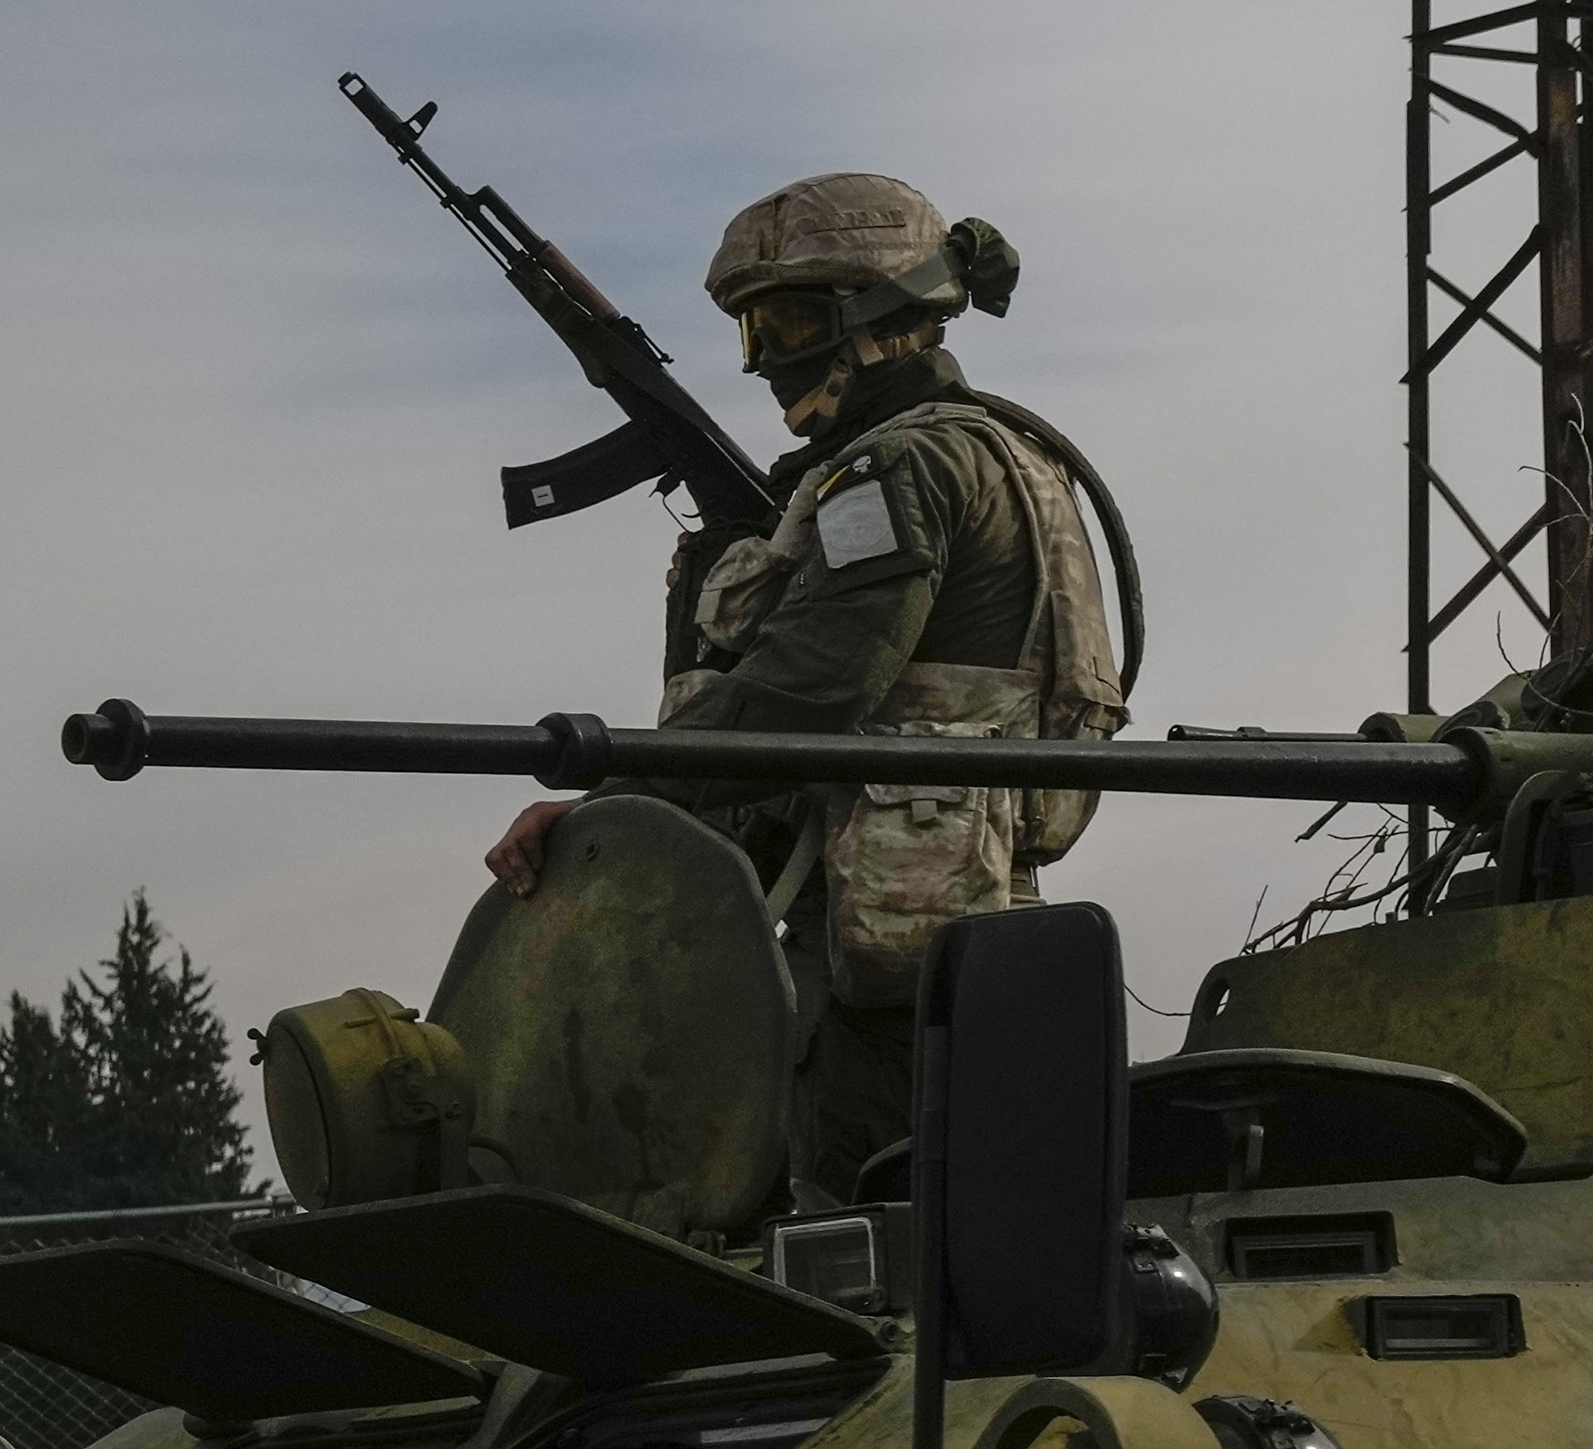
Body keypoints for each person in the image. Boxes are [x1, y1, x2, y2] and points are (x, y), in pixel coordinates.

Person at [485, 171, 1142, 1195]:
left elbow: (806, 693)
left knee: (853, 1251)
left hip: (880, 982)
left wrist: (616, 810)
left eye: (790, 323)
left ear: (882, 319)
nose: (769, 361)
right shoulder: (1005, 457)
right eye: (755, 332)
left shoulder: (901, 470)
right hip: (964, 935)